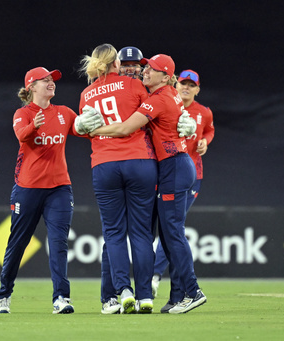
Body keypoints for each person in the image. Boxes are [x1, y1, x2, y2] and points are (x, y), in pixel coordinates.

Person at [90, 54, 207, 314]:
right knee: (167, 233)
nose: (145, 72)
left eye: (151, 70)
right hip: (174, 165)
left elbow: (124, 129)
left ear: (166, 77)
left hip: (173, 167)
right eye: (145, 68)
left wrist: (90, 130)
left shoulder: (158, 98)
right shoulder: (168, 95)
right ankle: (179, 296)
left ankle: (193, 291)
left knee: (172, 232)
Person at [0, 67, 103, 315]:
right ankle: (3, 296)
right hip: (28, 188)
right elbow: (22, 135)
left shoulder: (64, 113)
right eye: (44, 80)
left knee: (58, 243)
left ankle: (61, 298)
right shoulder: (22, 113)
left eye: (51, 79)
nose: (50, 83)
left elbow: (85, 131)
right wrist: (34, 125)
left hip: (59, 189)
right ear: (31, 86)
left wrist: (91, 122)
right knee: (18, 242)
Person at [79, 43, 157, 314]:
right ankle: (145, 296)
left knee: (113, 233)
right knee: (141, 233)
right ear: (117, 64)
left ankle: (123, 290)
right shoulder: (135, 86)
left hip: (104, 164)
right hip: (139, 161)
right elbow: (149, 118)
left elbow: (85, 130)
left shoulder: (86, 94)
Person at [152, 69, 215, 298]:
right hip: (163, 173)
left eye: (191, 85)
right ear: (175, 85)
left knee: (172, 227)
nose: (186, 88)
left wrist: (205, 142)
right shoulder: (167, 104)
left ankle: (156, 276)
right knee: (170, 228)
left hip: (190, 176)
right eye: (183, 83)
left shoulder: (203, 113)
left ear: (198, 89)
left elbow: (209, 130)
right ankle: (176, 291)